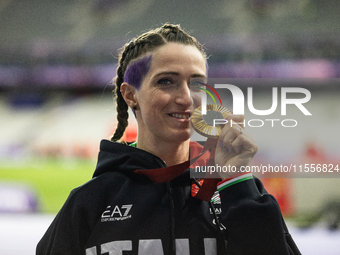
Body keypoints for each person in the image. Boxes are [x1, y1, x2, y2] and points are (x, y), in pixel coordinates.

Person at [36, 23, 301, 255]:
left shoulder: (237, 188)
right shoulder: (89, 202)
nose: (187, 98)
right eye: (166, 82)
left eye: (197, 83)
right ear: (130, 95)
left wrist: (237, 183)